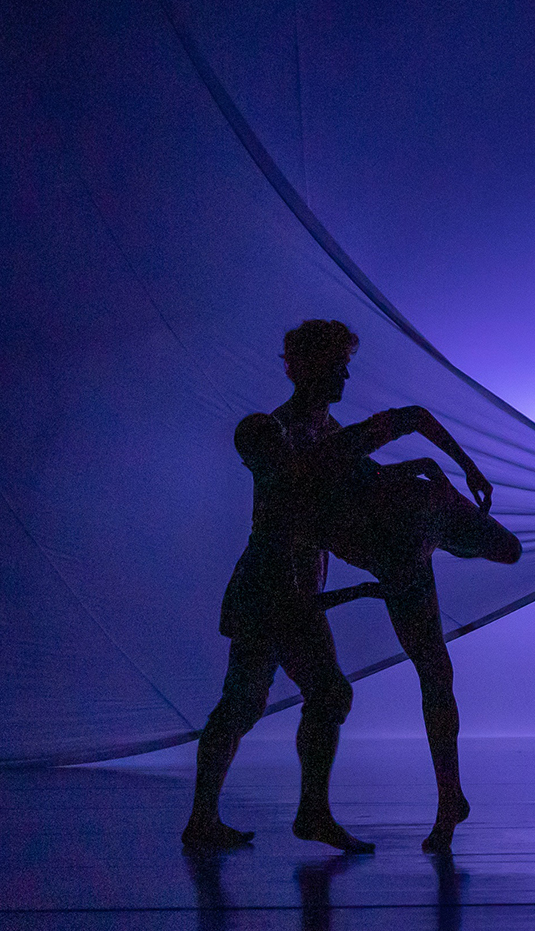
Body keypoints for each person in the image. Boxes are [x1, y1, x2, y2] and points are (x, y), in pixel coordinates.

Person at [183, 320, 376, 853]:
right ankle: (304, 813)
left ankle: (212, 818)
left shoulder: (325, 431)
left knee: (249, 702)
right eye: (337, 366)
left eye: (345, 366)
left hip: (287, 581)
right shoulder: (277, 431)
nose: (345, 376)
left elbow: (354, 496)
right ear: (309, 368)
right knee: (312, 695)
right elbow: (296, 503)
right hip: (275, 583)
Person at [306, 405, 520, 853]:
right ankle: (450, 798)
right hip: (400, 543)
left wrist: (456, 469)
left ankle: (451, 798)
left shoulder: (327, 440)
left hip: (415, 518)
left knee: (508, 550)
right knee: (435, 672)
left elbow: (410, 424)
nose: (345, 377)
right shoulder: (305, 468)